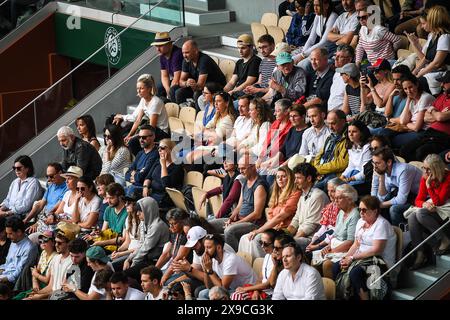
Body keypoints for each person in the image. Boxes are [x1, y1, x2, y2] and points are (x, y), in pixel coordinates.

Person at [333, 195, 396, 300]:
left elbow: (377, 250)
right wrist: (346, 258)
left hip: (380, 260)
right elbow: (356, 244)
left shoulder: (382, 224)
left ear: (375, 211)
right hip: (362, 258)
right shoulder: (361, 222)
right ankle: (348, 297)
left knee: (355, 272)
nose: (361, 212)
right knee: (337, 266)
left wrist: (352, 258)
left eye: (364, 210)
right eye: (359, 209)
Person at [209, 153, 269, 251]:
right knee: (210, 224)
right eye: (239, 168)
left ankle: (234, 256)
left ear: (253, 167)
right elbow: (239, 206)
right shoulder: (244, 181)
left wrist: (236, 223)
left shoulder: (259, 186)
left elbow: (257, 214)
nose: (240, 171)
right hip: (239, 220)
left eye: (243, 168)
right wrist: (231, 219)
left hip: (252, 223)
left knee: (229, 231)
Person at [239, 166, 301, 259]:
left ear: (290, 178)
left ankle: (265, 264)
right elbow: (271, 214)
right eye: (277, 177)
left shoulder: (295, 193)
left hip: (284, 230)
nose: (280, 179)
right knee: (245, 237)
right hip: (274, 228)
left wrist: (258, 231)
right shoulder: (277, 193)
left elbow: (280, 217)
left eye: (283, 176)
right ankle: (248, 264)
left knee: (256, 239)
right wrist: (268, 228)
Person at [407, 154, 450, 270]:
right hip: (436, 208)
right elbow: (418, 199)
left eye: (428, 169)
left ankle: (444, 239)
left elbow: (439, 201)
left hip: (446, 209)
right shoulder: (425, 176)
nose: (425, 171)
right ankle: (420, 253)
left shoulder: (448, 177)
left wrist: (429, 186)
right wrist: (424, 204)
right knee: (412, 217)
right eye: (424, 168)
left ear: (436, 169)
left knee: (421, 214)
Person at [311, 184, 359, 278]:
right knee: (314, 260)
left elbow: (350, 242)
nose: (335, 201)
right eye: (335, 198)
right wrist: (328, 247)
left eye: (339, 198)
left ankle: (332, 290)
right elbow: (335, 235)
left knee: (327, 264)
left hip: (347, 250)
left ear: (349, 199)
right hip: (335, 247)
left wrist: (333, 251)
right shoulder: (341, 212)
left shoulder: (355, 215)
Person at [400, 71, 450, 161]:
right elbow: (425, 117)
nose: (442, 85)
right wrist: (437, 112)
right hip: (430, 131)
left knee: (420, 152)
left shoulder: (425, 97)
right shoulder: (442, 96)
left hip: (443, 136)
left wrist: (434, 111)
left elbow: (439, 117)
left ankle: (423, 172)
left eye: (445, 82)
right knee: (404, 150)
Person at [115, 74, 169, 154]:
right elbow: (137, 120)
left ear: (149, 89)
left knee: (133, 142)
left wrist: (133, 137)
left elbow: (151, 128)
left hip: (160, 131)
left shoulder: (156, 102)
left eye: (141, 88)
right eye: (137, 88)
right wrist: (129, 135)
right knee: (125, 136)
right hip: (151, 129)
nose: (138, 91)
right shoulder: (143, 100)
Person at [371, 147, 422, 226]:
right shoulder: (384, 171)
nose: (375, 167)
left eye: (377, 163)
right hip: (410, 196)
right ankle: (385, 230)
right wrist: (381, 178)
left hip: (421, 198)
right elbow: (383, 197)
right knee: (381, 204)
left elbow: (401, 199)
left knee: (394, 209)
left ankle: (402, 233)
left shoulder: (403, 170)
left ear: (389, 162)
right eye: (373, 163)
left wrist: (381, 205)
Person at [24, 223, 77, 300]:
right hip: (50, 295)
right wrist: (37, 293)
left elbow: (64, 291)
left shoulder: (72, 262)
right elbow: (51, 286)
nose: (56, 245)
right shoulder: (56, 258)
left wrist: (40, 296)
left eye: (59, 243)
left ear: (69, 243)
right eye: (55, 242)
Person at [123, 197, 169, 282]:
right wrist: (129, 259)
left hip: (154, 261)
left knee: (125, 275)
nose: (137, 214)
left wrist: (133, 262)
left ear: (148, 210)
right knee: (119, 267)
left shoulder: (157, 226)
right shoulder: (143, 223)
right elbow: (141, 245)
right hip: (145, 257)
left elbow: (145, 248)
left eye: (140, 211)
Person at [197, 234, 257, 300]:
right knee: (202, 293)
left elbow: (223, 288)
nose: (205, 251)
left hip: (247, 290)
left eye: (208, 247)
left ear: (219, 248)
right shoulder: (213, 259)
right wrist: (206, 270)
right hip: (232, 289)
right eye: (205, 247)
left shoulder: (230, 260)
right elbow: (209, 286)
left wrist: (210, 271)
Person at [287, 163, 330, 247]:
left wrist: (290, 241)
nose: (295, 181)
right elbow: (296, 220)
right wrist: (285, 235)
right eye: (295, 178)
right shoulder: (303, 196)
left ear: (309, 178)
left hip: (312, 239)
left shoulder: (318, 196)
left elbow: (310, 225)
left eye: (298, 178)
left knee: (287, 246)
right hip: (301, 236)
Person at [174, 40, 226, 105]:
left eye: (187, 52)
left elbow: (200, 86)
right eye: (183, 53)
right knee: (178, 92)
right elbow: (181, 81)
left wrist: (192, 84)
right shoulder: (186, 60)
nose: (184, 55)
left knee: (197, 94)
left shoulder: (204, 60)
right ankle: (185, 111)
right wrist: (186, 83)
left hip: (215, 87)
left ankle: (198, 114)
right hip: (201, 86)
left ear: (196, 51)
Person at [232, 229, 280, 300]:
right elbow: (260, 279)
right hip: (260, 290)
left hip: (270, 294)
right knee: (236, 295)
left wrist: (246, 289)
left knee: (238, 296)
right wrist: (256, 291)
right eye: (261, 242)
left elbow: (268, 284)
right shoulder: (267, 256)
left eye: (266, 244)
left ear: (274, 244)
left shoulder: (277, 260)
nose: (262, 246)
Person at [413, 5, 450, 95]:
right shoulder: (434, 35)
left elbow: (436, 63)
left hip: (444, 74)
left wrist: (418, 75)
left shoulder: (445, 37)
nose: (422, 26)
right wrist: (413, 73)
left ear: (433, 20)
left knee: (415, 84)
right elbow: (426, 58)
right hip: (433, 71)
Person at [293, 0, 338, 68]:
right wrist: (303, 53)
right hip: (319, 49)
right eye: (314, 5)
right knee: (292, 60)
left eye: (318, 5)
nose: (315, 8)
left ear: (326, 5)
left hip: (329, 51)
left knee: (302, 65)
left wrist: (303, 55)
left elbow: (323, 42)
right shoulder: (318, 16)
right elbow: (311, 39)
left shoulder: (333, 16)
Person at [305, 178, 345, 255]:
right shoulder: (329, 206)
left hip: (334, 240)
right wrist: (313, 241)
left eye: (333, 191)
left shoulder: (343, 209)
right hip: (325, 238)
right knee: (307, 251)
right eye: (328, 191)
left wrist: (317, 246)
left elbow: (337, 233)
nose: (329, 194)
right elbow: (323, 228)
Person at [12, 230, 56, 300]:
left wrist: (36, 275)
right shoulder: (43, 253)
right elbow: (36, 270)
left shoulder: (55, 257)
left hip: (46, 289)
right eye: (40, 240)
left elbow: (46, 280)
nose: (43, 242)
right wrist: (35, 282)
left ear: (53, 243)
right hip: (38, 286)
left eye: (46, 240)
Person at [311, 109, 349, 190]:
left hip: (335, 174)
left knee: (314, 189)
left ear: (342, 122)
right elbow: (319, 155)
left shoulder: (348, 137)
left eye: (333, 123)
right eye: (328, 124)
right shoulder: (331, 136)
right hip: (322, 172)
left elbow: (341, 163)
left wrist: (319, 169)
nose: (330, 127)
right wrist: (316, 168)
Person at [143, 139, 184, 208]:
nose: (159, 150)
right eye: (158, 148)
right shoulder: (158, 162)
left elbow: (166, 185)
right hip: (152, 194)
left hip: (164, 199)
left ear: (171, 150)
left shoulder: (177, 167)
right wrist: (145, 187)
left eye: (162, 148)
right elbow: (148, 177)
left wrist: (163, 165)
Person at [87, 183, 127, 251]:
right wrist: (97, 233)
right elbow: (104, 231)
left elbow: (123, 239)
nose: (108, 201)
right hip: (107, 241)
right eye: (107, 198)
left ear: (120, 197)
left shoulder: (127, 212)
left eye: (111, 198)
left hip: (118, 246)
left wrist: (102, 243)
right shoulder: (108, 209)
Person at [0, 217, 38, 288]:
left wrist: (3, 279)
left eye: (10, 234)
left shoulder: (29, 248)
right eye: (7, 233)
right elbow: (7, 264)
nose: (8, 236)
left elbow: (19, 273)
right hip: (5, 275)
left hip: (13, 283)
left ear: (19, 232)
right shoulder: (14, 242)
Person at [0, 155, 42, 219]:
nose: (16, 170)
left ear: (27, 168)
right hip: (10, 213)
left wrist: (6, 213)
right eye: (14, 168)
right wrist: (1, 208)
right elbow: (8, 200)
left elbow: (26, 206)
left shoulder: (33, 183)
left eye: (19, 168)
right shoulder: (15, 182)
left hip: (22, 216)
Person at [124, 125, 160, 198]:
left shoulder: (156, 154)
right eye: (139, 137)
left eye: (144, 137)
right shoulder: (140, 153)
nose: (141, 140)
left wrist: (135, 174)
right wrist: (136, 174)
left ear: (153, 137)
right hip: (134, 187)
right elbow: (127, 174)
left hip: (145, 189)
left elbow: (142, 177)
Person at [257, 99, 293, 170]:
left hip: (281, 160)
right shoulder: (276, 123)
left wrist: (270, 162)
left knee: (265, 174)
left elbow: (284, 150)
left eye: (277, 111)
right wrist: (260, 158)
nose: (274, 113)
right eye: (275, 111)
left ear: (286, 112)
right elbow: (266, 143)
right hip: (269, 157)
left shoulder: (291, 127)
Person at [223, 34, 261, 100]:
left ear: (251, 47)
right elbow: (232, 82)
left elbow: (248, 82)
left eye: (243, 48)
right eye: (238, 48)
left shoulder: (255, 61)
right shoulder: (239, 62)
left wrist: (233, 91)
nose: (240, 51)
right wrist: (223, 92)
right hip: (238, 91)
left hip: (246, 93)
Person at [340, 120, 372, 194]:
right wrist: (343, 176)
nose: (350, 134)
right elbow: (351, 166)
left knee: (344, 191)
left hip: (365, 179)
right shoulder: (351, 146)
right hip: (353, 175)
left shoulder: (368, 147)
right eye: (349, 131)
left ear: (361, 133)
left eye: (354, 131)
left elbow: (366, 172)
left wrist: (350, 179)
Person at [151, 32, 183, 100]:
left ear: (169, 44)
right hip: (175, 80)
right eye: (156, 46)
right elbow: (164, 75)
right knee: (159, 88)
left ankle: (173, 108)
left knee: (173, 91)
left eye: (160, 46)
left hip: (183, 81)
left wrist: (169, 91)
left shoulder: (177, 54)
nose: (158, 49)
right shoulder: (162, 56)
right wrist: (167, 88)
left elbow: (176, 79)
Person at [328, 44, 355, 111]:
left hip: (341, 115)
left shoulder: (351, 75)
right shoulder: (336, 73)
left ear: (349, 59)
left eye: (340, 57)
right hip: (330, 113)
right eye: (335, 56)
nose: (336, 59)